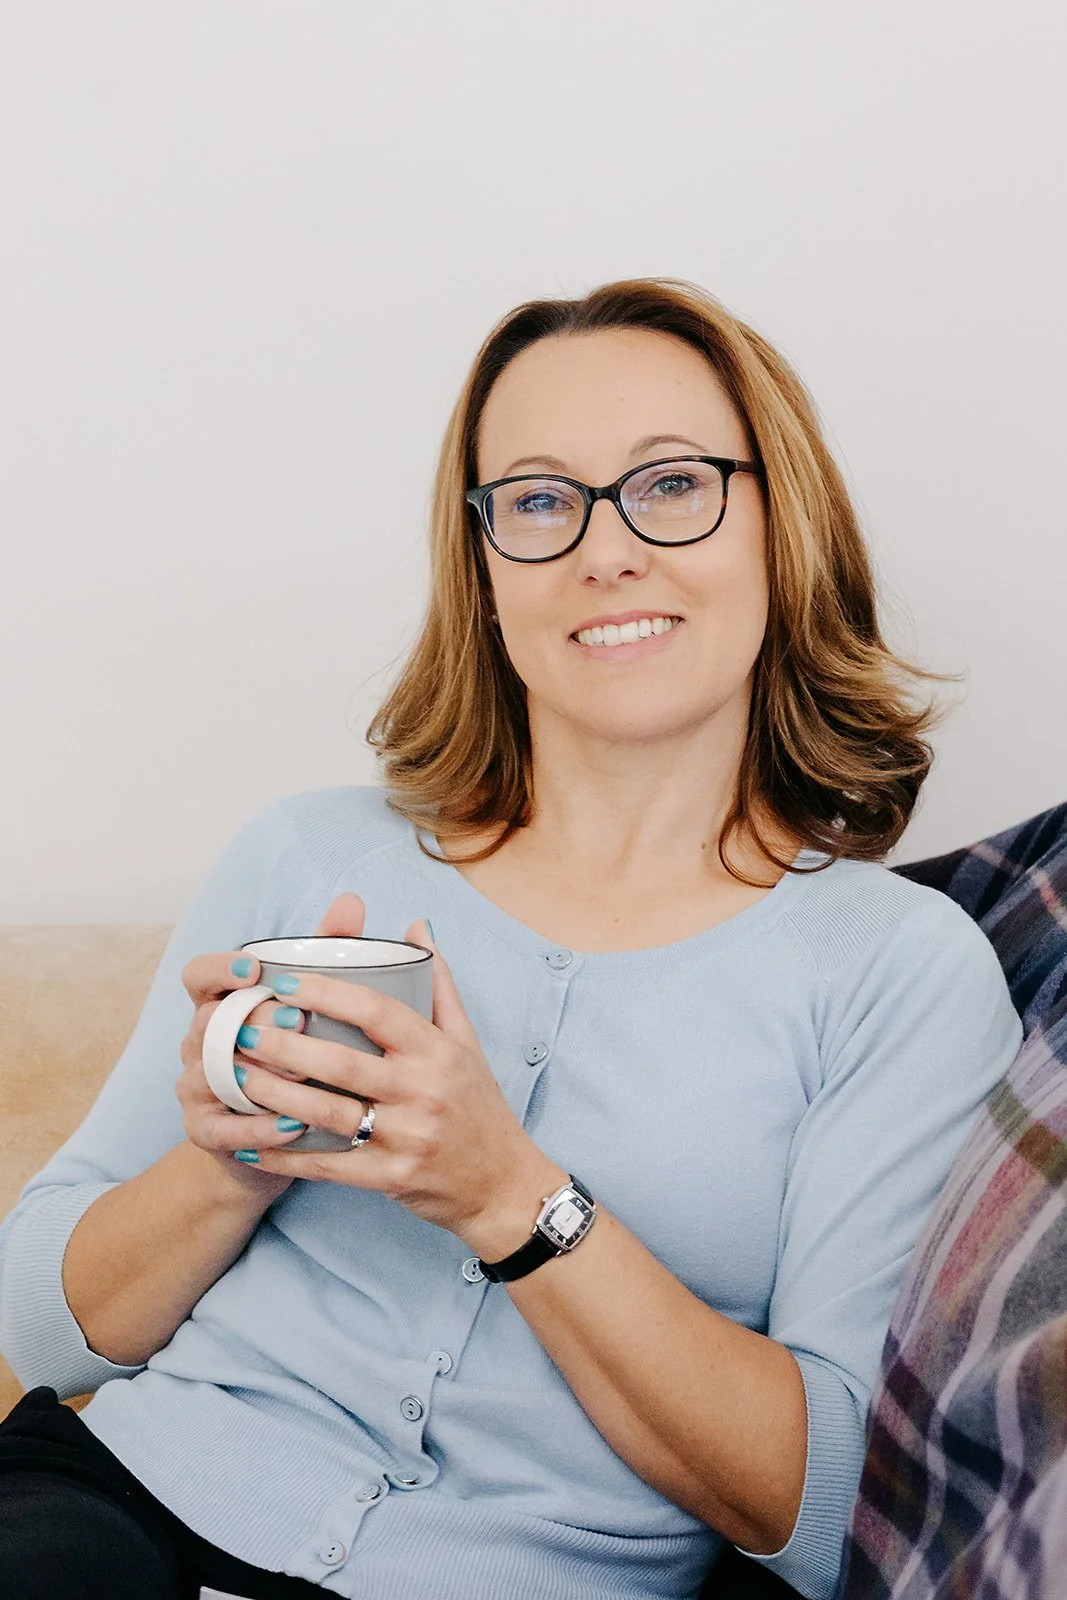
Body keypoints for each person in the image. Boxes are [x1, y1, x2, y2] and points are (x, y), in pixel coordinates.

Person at [0, 277, 1023, 1600]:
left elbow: (827, 1515)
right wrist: (230, 1165)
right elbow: (49, 1335)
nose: (606, 550)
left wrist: (506, 1196)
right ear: (484, 570)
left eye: (670, 483)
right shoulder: (310, 856)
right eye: (539, 501)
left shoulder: (898, 973)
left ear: (782, 527)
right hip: (119, 1511)